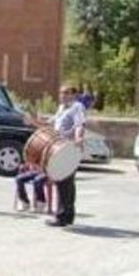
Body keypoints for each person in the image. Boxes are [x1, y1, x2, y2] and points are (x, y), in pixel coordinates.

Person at [41, 85, 85, 227]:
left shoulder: (77, 107)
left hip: (69, 148)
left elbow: (80, 125)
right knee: (64, 182)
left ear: (74, 95)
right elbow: (50, 124)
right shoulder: (61, 108)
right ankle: (67, 215)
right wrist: (33, 121)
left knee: (64, 181)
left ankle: (63, 216)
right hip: (58, 148)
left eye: (66, 93)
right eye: (61, 93)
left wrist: (78, 138)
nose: (63, 95)